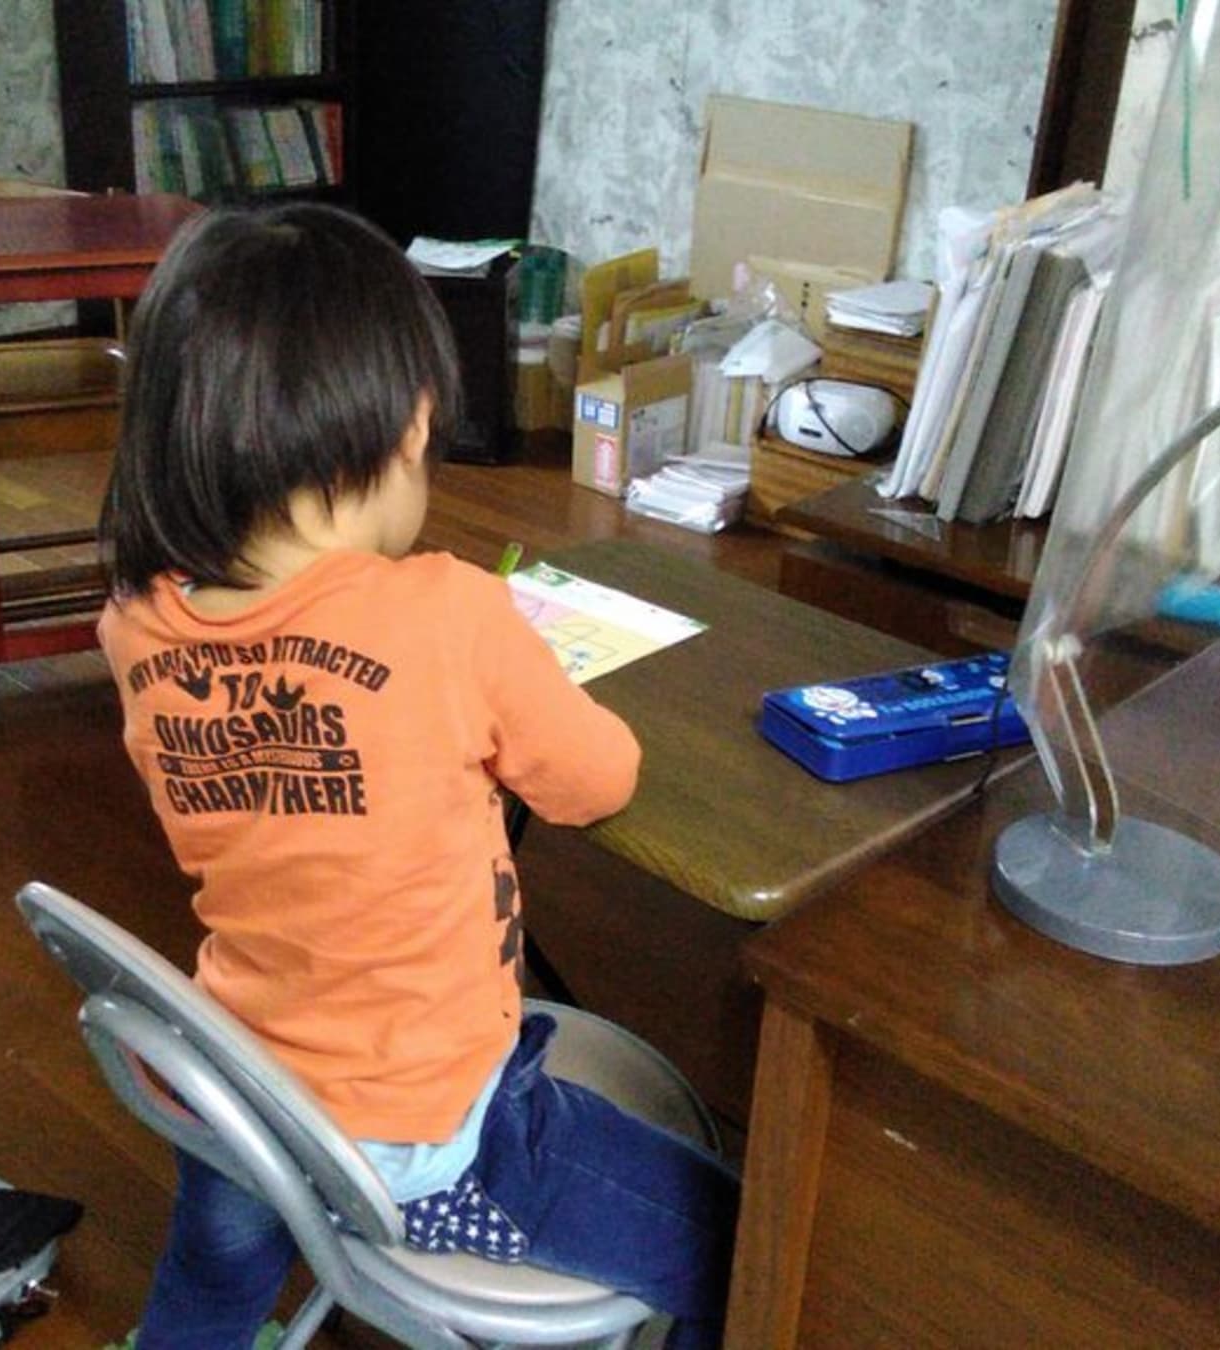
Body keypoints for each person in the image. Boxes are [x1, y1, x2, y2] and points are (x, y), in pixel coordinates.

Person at [94, 201, 737, 1350]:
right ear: (406, 429)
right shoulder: (450, 613)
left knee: (209, 1281)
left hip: (236, 1089)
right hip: (428, 1138)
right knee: (739, 1238)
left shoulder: (137, 627)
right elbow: (598, 782)